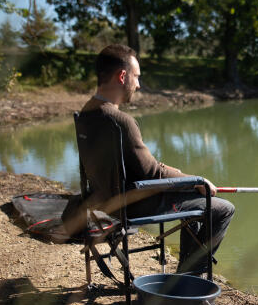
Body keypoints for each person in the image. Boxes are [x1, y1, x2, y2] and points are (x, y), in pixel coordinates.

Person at [78, 44, 234, 274]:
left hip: (103, 200)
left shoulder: (86, 113)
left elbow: (141, 166)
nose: (138, 85)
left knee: (194, 196)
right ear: (122, 76)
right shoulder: (119, 121)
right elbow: (151, 173)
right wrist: (198, 180)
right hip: (133, 204)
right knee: (222, 208)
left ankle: (186, 273)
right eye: (136, 77)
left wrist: (182, 178)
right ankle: (189, 278)